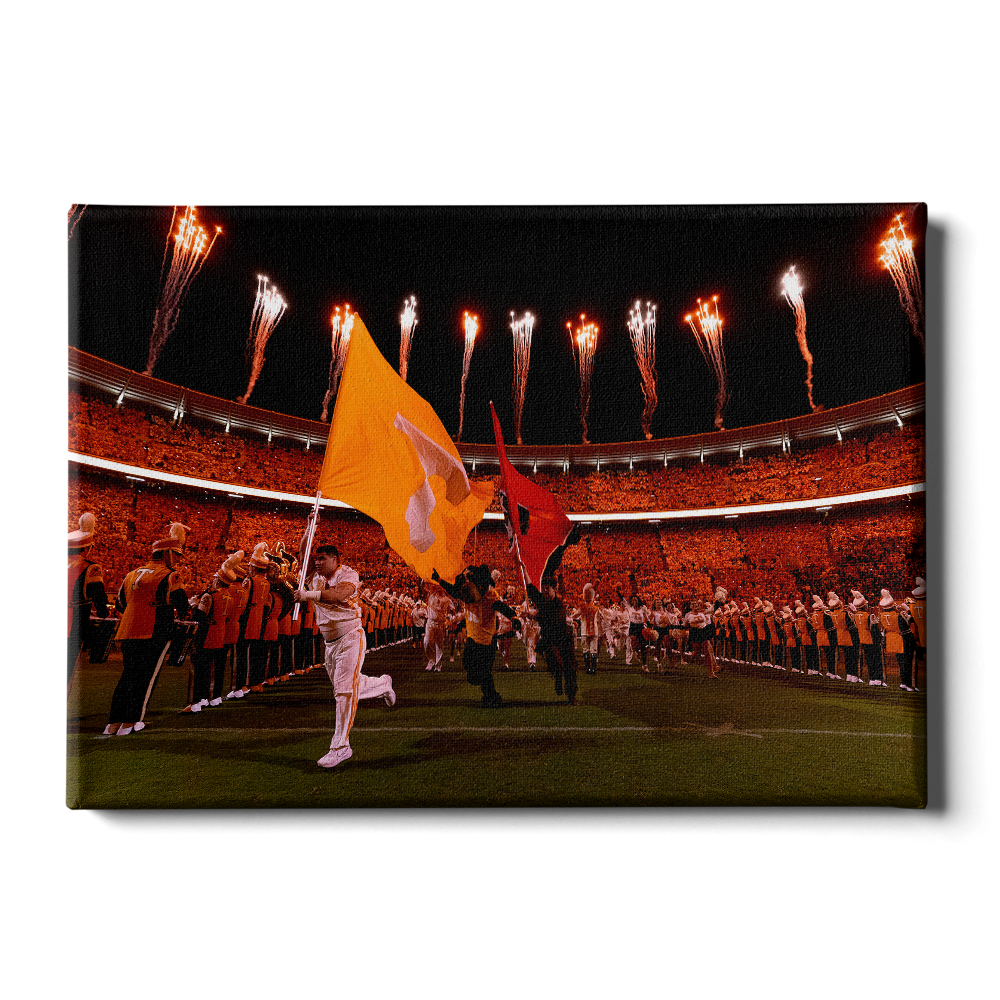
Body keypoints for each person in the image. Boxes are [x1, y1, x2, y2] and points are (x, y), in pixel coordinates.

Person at [295, 541, 395, 769]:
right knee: (348, 686)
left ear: (335, 559)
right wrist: (307, 532)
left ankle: (340, 747)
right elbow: (303, 556)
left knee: (343, 692)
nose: (317, 562)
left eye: (322, 558)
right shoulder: (314, 575)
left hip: (350, 636)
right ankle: (382, 684)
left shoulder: (348, 574)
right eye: (316, 559)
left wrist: (307, 595)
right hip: (330, 642)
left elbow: (338, 595)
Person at [104, 522, 191, 736]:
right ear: (167, 553)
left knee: (127, 676)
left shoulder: (132, 574)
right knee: (145, 678)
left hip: (128, 631)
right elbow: (182, 605)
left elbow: (120, 604)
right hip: (155, 631)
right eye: (176, 555)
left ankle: (112, 724)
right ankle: (131, 722)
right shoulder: (171, 575)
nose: (178, 559)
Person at [432, 563, 519, 708]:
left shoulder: (489, 597)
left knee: (484, 673)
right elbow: (453, 591)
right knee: (472, 672)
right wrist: (439, 579)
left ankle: (493, 697)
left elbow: (502, 607)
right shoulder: (468, 595)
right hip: (472, 640)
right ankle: (490, 695)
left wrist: (514, 618)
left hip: (487, 643)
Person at [65, 512, 109, 704]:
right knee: (66, 671)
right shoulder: (89, 567)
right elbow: (99, 597)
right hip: (71, 628)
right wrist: (102, 612)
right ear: (87, 548)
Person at [527, 575, 579, 704]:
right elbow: (531, 589)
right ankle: (557, 676)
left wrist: (535, 616)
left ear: (554, 589)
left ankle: (571, 695)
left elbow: (553, 620)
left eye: (547, 588)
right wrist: (524, 570)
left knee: (570, 668)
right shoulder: (542, 600)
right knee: (553, 663)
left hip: (563, 639)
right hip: (549, 640)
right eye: (543, 588)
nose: (545, 591)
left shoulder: (559, 604)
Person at [421, 578, 451, 671]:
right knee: (427, 642)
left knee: (439, 644)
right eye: (437, 587)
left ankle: (438, 665)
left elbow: (452, 610)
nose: (438, 588)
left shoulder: (447, 600)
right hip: (430, 622)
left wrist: (450, 620)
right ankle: (431, 660)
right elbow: (423, 588)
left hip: (440, 624)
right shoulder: (431, 595)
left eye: (440, 587)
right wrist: (423, 579)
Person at [684, 599, 719, 679]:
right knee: (698, 653)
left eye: (695, 604)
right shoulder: (688, 615)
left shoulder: (703, 612)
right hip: (694, 633)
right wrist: (683, 632)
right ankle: (693, 657)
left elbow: (713, 609)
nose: (694, 605)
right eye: (692, 604)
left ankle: (711, 673)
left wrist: (718, 601)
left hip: (702, 632)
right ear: (690, 606)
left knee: (707, 652)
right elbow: (684, 625)